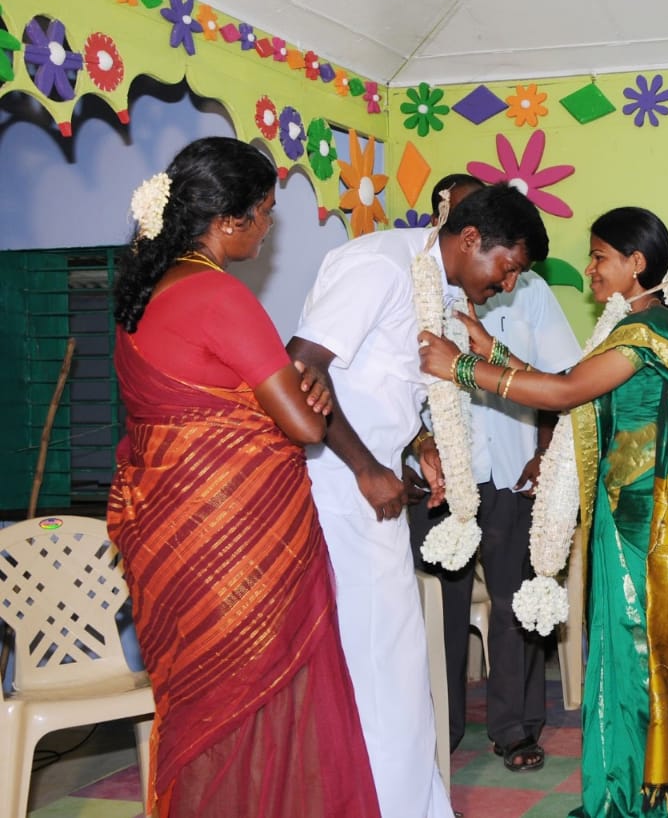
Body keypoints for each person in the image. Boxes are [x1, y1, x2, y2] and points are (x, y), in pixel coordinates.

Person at [418, 206, 668, 818]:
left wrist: (463, 367)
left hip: (648, 526)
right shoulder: (633, 328)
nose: (589, 271)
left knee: (640, 656)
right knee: (619, 652)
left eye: (600, 258)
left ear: (637, 265)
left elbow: (563, 394)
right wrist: (495, 348)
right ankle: (628, 785)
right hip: (623, 518)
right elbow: (576, 390)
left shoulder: (651, 331)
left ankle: (646, 796)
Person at [106, 137, 381, 818]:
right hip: (242, 550)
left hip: (172, 549)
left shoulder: (138, 302)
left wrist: (287, 394)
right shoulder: (221, 297)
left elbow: (188, 421)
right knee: (265, 699)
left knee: (201, 711)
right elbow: (304, 428)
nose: (267, 229)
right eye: (264, 213)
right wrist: (304, 394)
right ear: (228, 221)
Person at [287, 184, 549, 818]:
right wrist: (366, 466)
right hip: (336, 490)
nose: (508, 285)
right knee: (379, 666)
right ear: (467, 241)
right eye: (506, 266)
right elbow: (299, 367)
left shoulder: (439, 286)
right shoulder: (379, 265)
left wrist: (421, 443)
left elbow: (382, 385)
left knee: (399, 663)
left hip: (373, 490)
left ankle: (412, 803)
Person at [415, 173, 582, 768]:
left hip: (511, 470)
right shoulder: (416, 285)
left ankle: (516, 729)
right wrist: (421, 440)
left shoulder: (528, 288)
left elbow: (562, 379)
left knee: (517, 603)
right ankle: (442, 730)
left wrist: (543, 453)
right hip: (436, 483)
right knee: (441, 611)